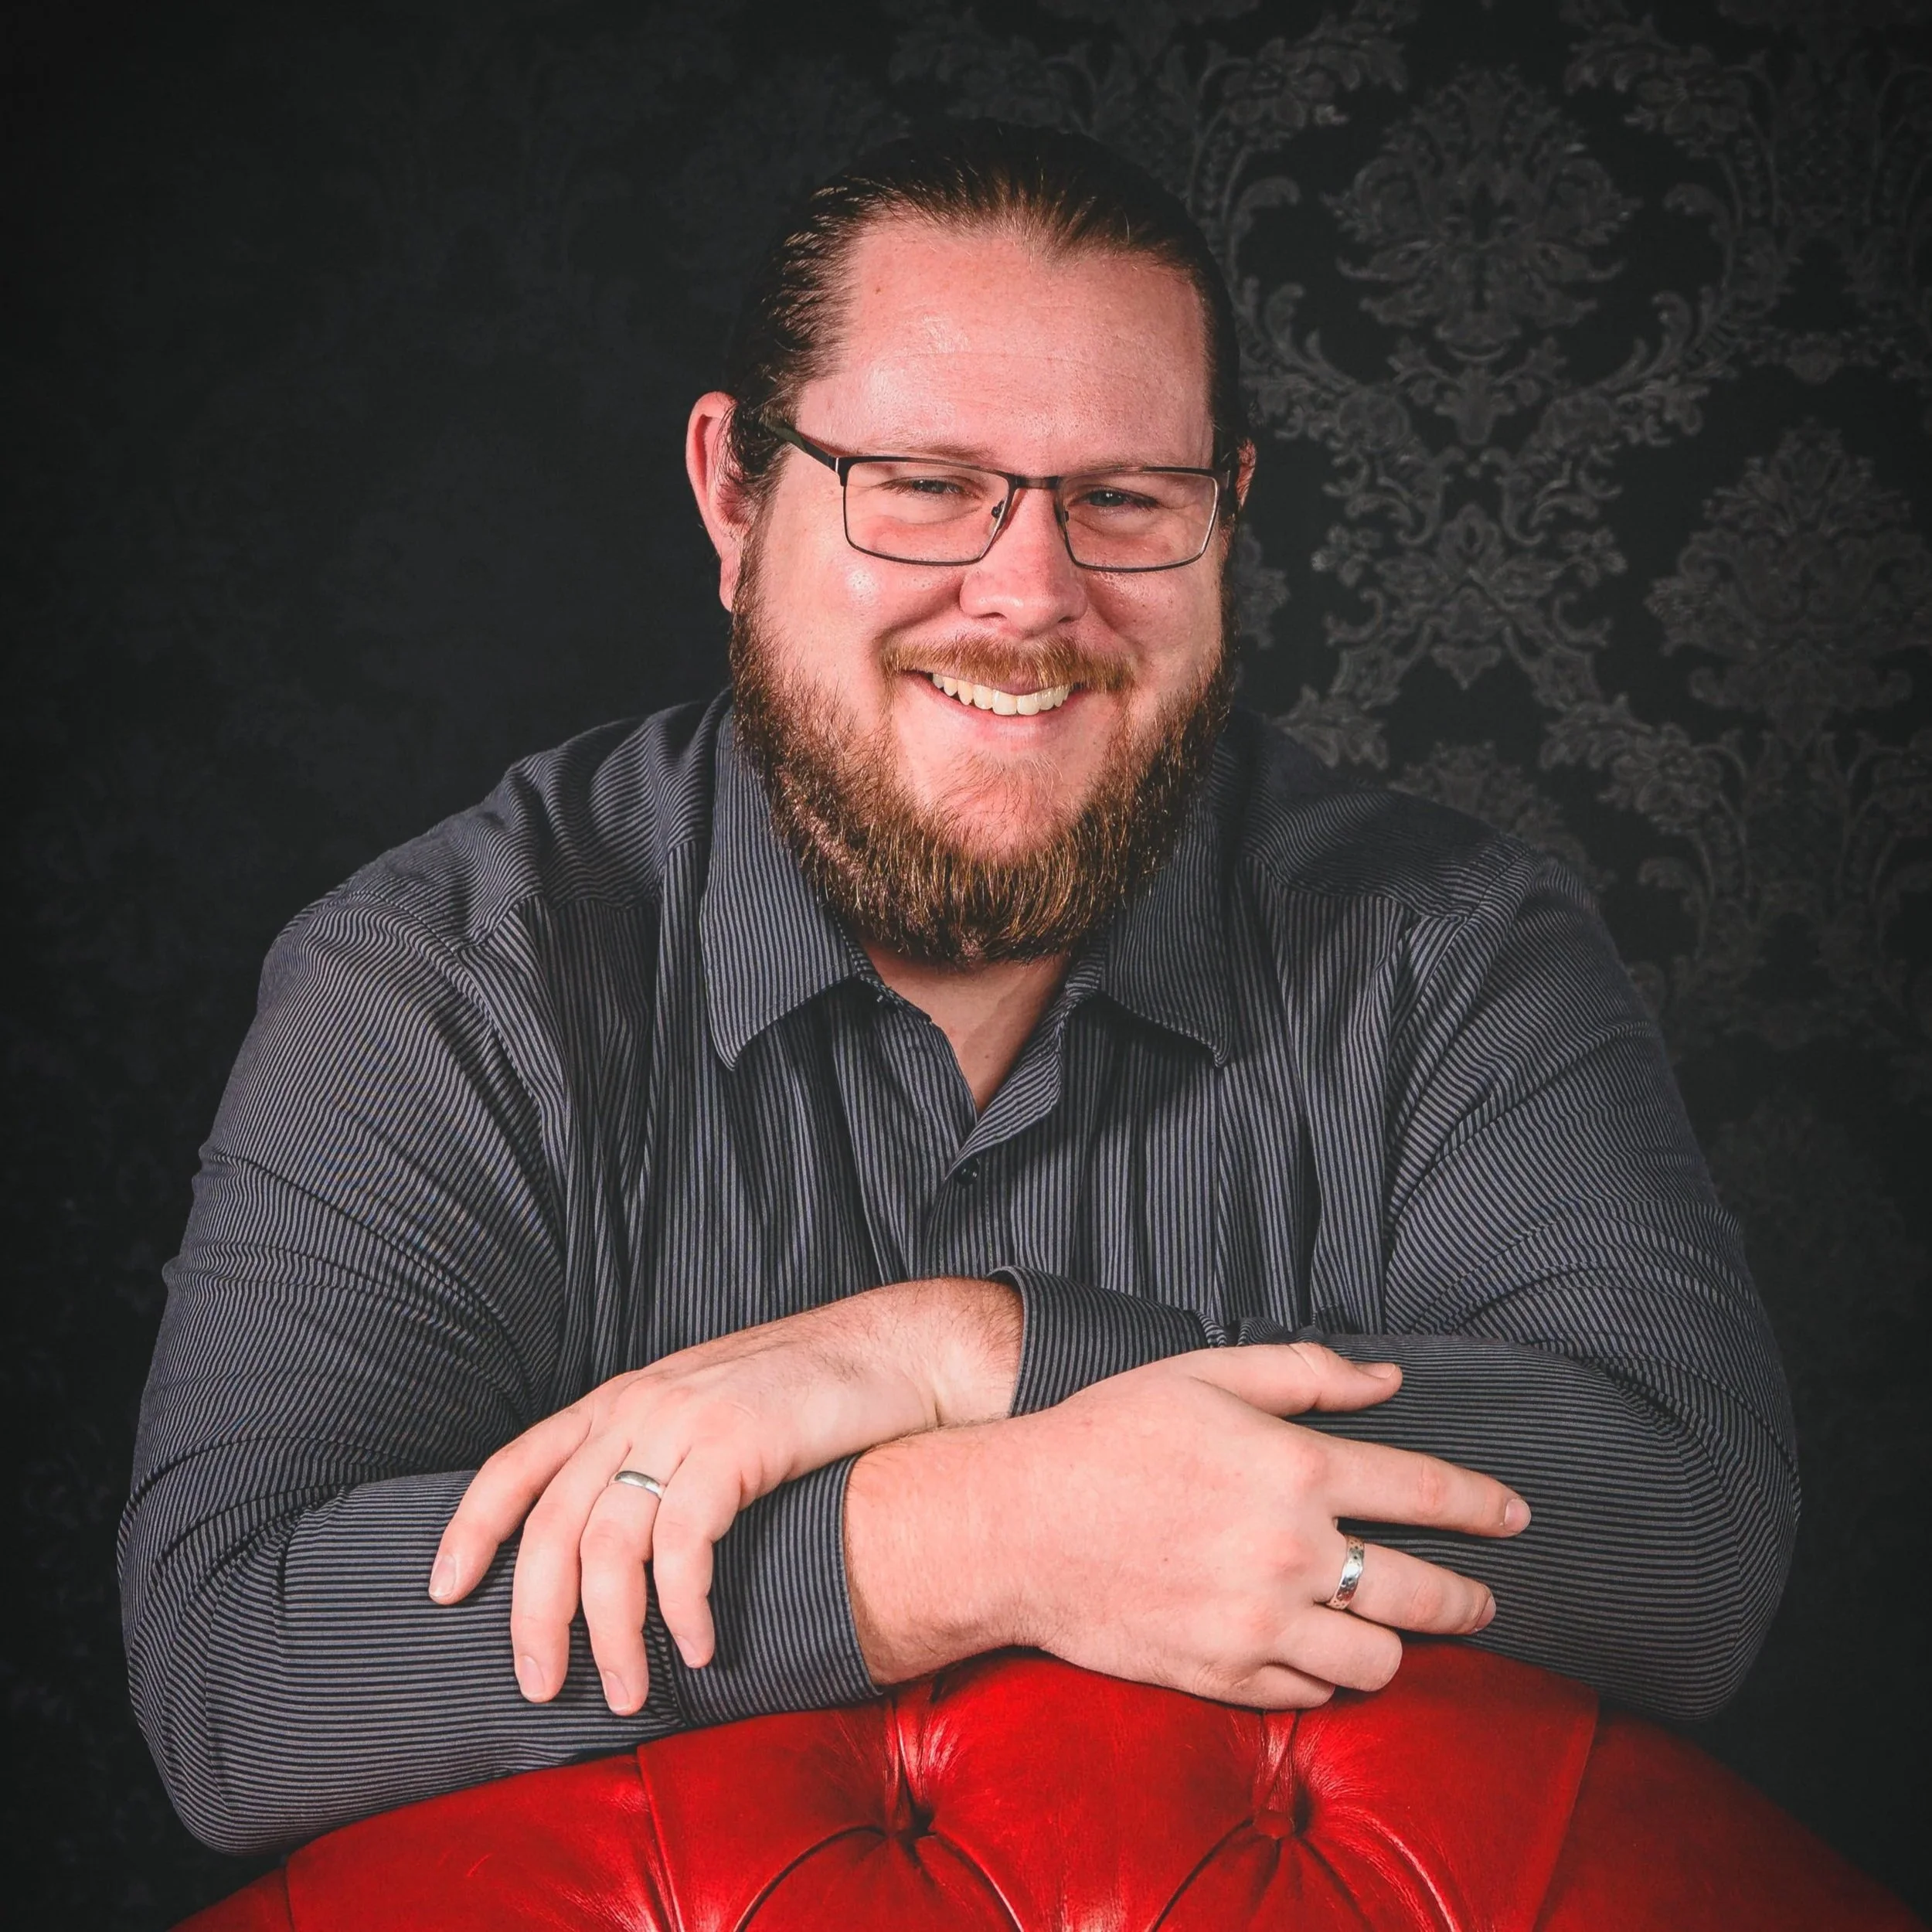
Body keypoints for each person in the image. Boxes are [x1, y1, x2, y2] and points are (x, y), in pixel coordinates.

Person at [121, 122, 1798, 1859]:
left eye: (1121, 502)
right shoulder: (444, 988)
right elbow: (239, 1664)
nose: (1027, 596)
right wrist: (976, 1529)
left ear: (1225, 518)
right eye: (923, 481)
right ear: (732, 493)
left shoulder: (1446, 951)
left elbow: (1688, 1537)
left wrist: (953, 1349)